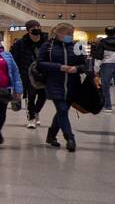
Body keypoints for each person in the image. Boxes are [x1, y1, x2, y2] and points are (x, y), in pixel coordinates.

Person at [36, 23, 90, 152]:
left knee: (62, 111)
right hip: (54, 83)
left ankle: (51, 135)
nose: (70, 36)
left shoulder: (78, 46)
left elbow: (86, 65)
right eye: (67, 34)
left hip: (73, 84)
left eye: (71, 34)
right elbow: (40, 63)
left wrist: (76, 68)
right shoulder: (48, 46)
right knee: (62, 109)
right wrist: (59, 67)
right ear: (58, 33)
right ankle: (70, 138)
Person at [10, 20, 47, 129]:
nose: (37, 29)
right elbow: (15, 59)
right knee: (31, 96)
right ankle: (31, 118)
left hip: (43, 73)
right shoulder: (20, 43)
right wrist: (16, 75)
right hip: (27, 73)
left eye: (38, 27)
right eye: (33, 28)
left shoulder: (46, 41)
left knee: (43, 96)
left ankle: (36, 112)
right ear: (28, 30)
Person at [92, 25, 115, 113]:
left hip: (106, 65)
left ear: (106, 33)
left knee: (105, 86)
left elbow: (98, 56)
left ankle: (108, 107)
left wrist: (96, 69)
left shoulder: (102, 42)